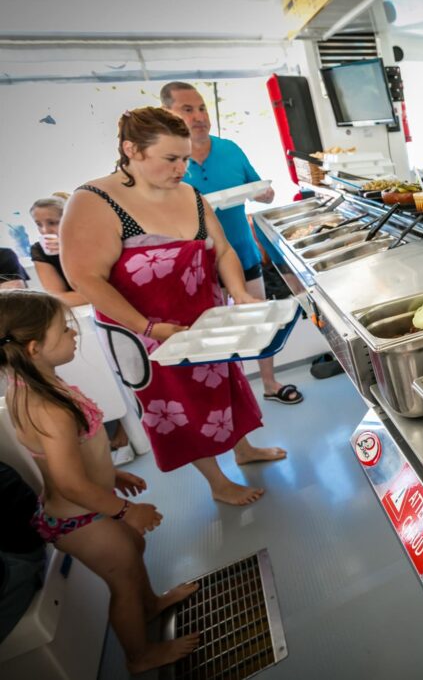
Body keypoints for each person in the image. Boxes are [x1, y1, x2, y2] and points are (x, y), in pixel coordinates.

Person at [61, 106, 286, 506]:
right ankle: (218, 483)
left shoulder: (189, 194)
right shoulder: (94, 200)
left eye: (184, 157)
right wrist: (148, 327)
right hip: (145, 332)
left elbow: (222, 251)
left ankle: (243, 448)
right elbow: (86, 278)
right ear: (132, 150)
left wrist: (240, 294)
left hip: (202, 317)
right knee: (179, 408)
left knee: (225, 387)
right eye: (170, 159)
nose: (182, 167)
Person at [0, 289, 200, 673]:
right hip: (80, 516)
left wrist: (112, 473)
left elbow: (76, 457)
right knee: (122, 580)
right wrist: (127, 510)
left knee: (132, 551)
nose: (74, 336)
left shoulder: (38, 386)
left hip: (89, 503)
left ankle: (152, 603)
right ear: (34, 347)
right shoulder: (47, 408)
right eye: (65, 331)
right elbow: (71, 484)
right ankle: (139, 657)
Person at [161, 81, 303, 406]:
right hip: (197, 264)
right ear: (167, 115)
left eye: (201, 108)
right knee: (214, 336)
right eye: (187, 109)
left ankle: (269, 382)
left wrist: (264, 193)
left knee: (260, 321)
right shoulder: (169, 163)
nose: (198, 116)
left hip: (243, 250)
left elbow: (258, 188)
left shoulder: (230, 149)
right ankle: (230, 397)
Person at [29, 194, 88, 306]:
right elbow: (56, 297)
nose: (45, 230)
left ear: (70, 219)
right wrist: (103, 295)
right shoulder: (39, 249)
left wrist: (71, 249)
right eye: (38, 224)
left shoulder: (93, 239)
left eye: (52, 223)